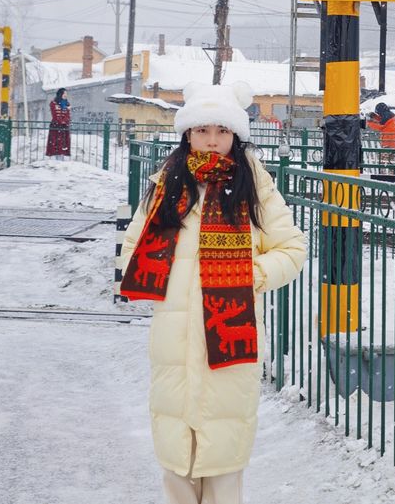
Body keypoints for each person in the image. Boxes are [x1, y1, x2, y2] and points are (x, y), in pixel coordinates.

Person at [120, 81, 306, 504]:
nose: (212, 140)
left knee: (222, 465)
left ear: (235, 136)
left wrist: (249, 275)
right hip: (173, 343)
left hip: (230, 333)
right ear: (187, 133)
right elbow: (132, 250)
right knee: (176, 464)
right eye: (202, 130)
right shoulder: (166, 184)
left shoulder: (253, 184)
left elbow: (292, 249)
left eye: (221, 131)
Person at [45, 88, 71, 159]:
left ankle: (62, 160)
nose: (66, 95)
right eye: (64, 93)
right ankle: (55, 160)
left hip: (64, 126)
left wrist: (65, 122)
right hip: (56, 126)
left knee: (63, 145)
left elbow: (68, 116)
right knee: (55, 144)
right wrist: (61, 122)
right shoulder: (53, 103)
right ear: (60, 94)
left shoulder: (67, 104)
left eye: (66, 93)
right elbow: (55, 115)